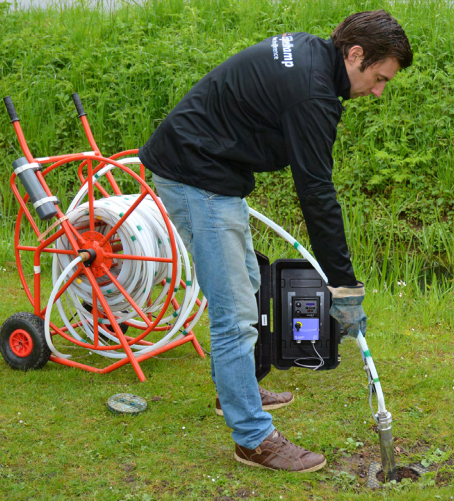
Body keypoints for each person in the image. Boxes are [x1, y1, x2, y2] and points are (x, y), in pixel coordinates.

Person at [139, 10, 412, 472]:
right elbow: (317, 194)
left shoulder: (312, 54)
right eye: (380, 78)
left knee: (246, 279)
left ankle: (237, 389)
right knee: (236, 314)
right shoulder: (311, 93)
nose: (379, 91)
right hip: (196, 176)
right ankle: (253, 438)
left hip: (212, 171)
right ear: (356, 53)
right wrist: (343, 285)